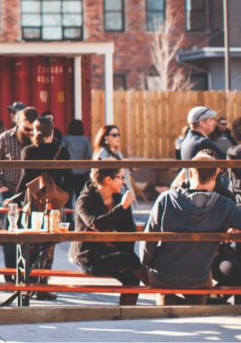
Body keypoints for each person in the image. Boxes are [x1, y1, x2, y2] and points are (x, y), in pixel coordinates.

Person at [142, 152, 241, 305]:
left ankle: (166, 311)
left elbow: (148, 240)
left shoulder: (166, 198)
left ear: (190, 172)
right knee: (199, 280)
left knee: (164, 284)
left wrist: (147, 262)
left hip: (162, 274)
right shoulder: (224, 205)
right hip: (198, 276)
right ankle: (195, 314)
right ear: (215, 176)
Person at [69, 167, 147, 305]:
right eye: (121, 177)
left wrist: (123, 259)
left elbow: (129, 232)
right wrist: (121, 208)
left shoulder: (119, 200)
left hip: (115, 255)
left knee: (132, 279)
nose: (124, 182)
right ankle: (161, 289)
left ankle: (125, 316)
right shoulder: (85, 200)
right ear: (108, 180)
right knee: (128, 259)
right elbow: (96, 224)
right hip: (89, 257)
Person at [0, 107, 39, 271]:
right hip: (9, 192)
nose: (30, 132)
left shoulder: (37, 138)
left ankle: (27, 273)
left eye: (33, 130)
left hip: (31, 194)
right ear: (18, 122)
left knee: (31, 235)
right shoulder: (5, 138)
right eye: (27, 129)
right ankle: (11, 274)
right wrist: (0, 186)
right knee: (10, 235)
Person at [17, 118, 71, 200]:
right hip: (55, 198)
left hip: (34, 197)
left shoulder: (28, 151)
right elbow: (68, 177)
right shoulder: (62, 152)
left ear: (34, 132)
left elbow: (26, 177)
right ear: (52, 132)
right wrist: (63, 194)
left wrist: (16, 198)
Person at [62, 120, 93, 202]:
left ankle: (68, 215)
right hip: (83, 172)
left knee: (67, 198)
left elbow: (61, 151)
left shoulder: (66, 139)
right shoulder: (85, 140)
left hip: (69, 171)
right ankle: (80, 214)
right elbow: (90, 155)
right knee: (81, 198)